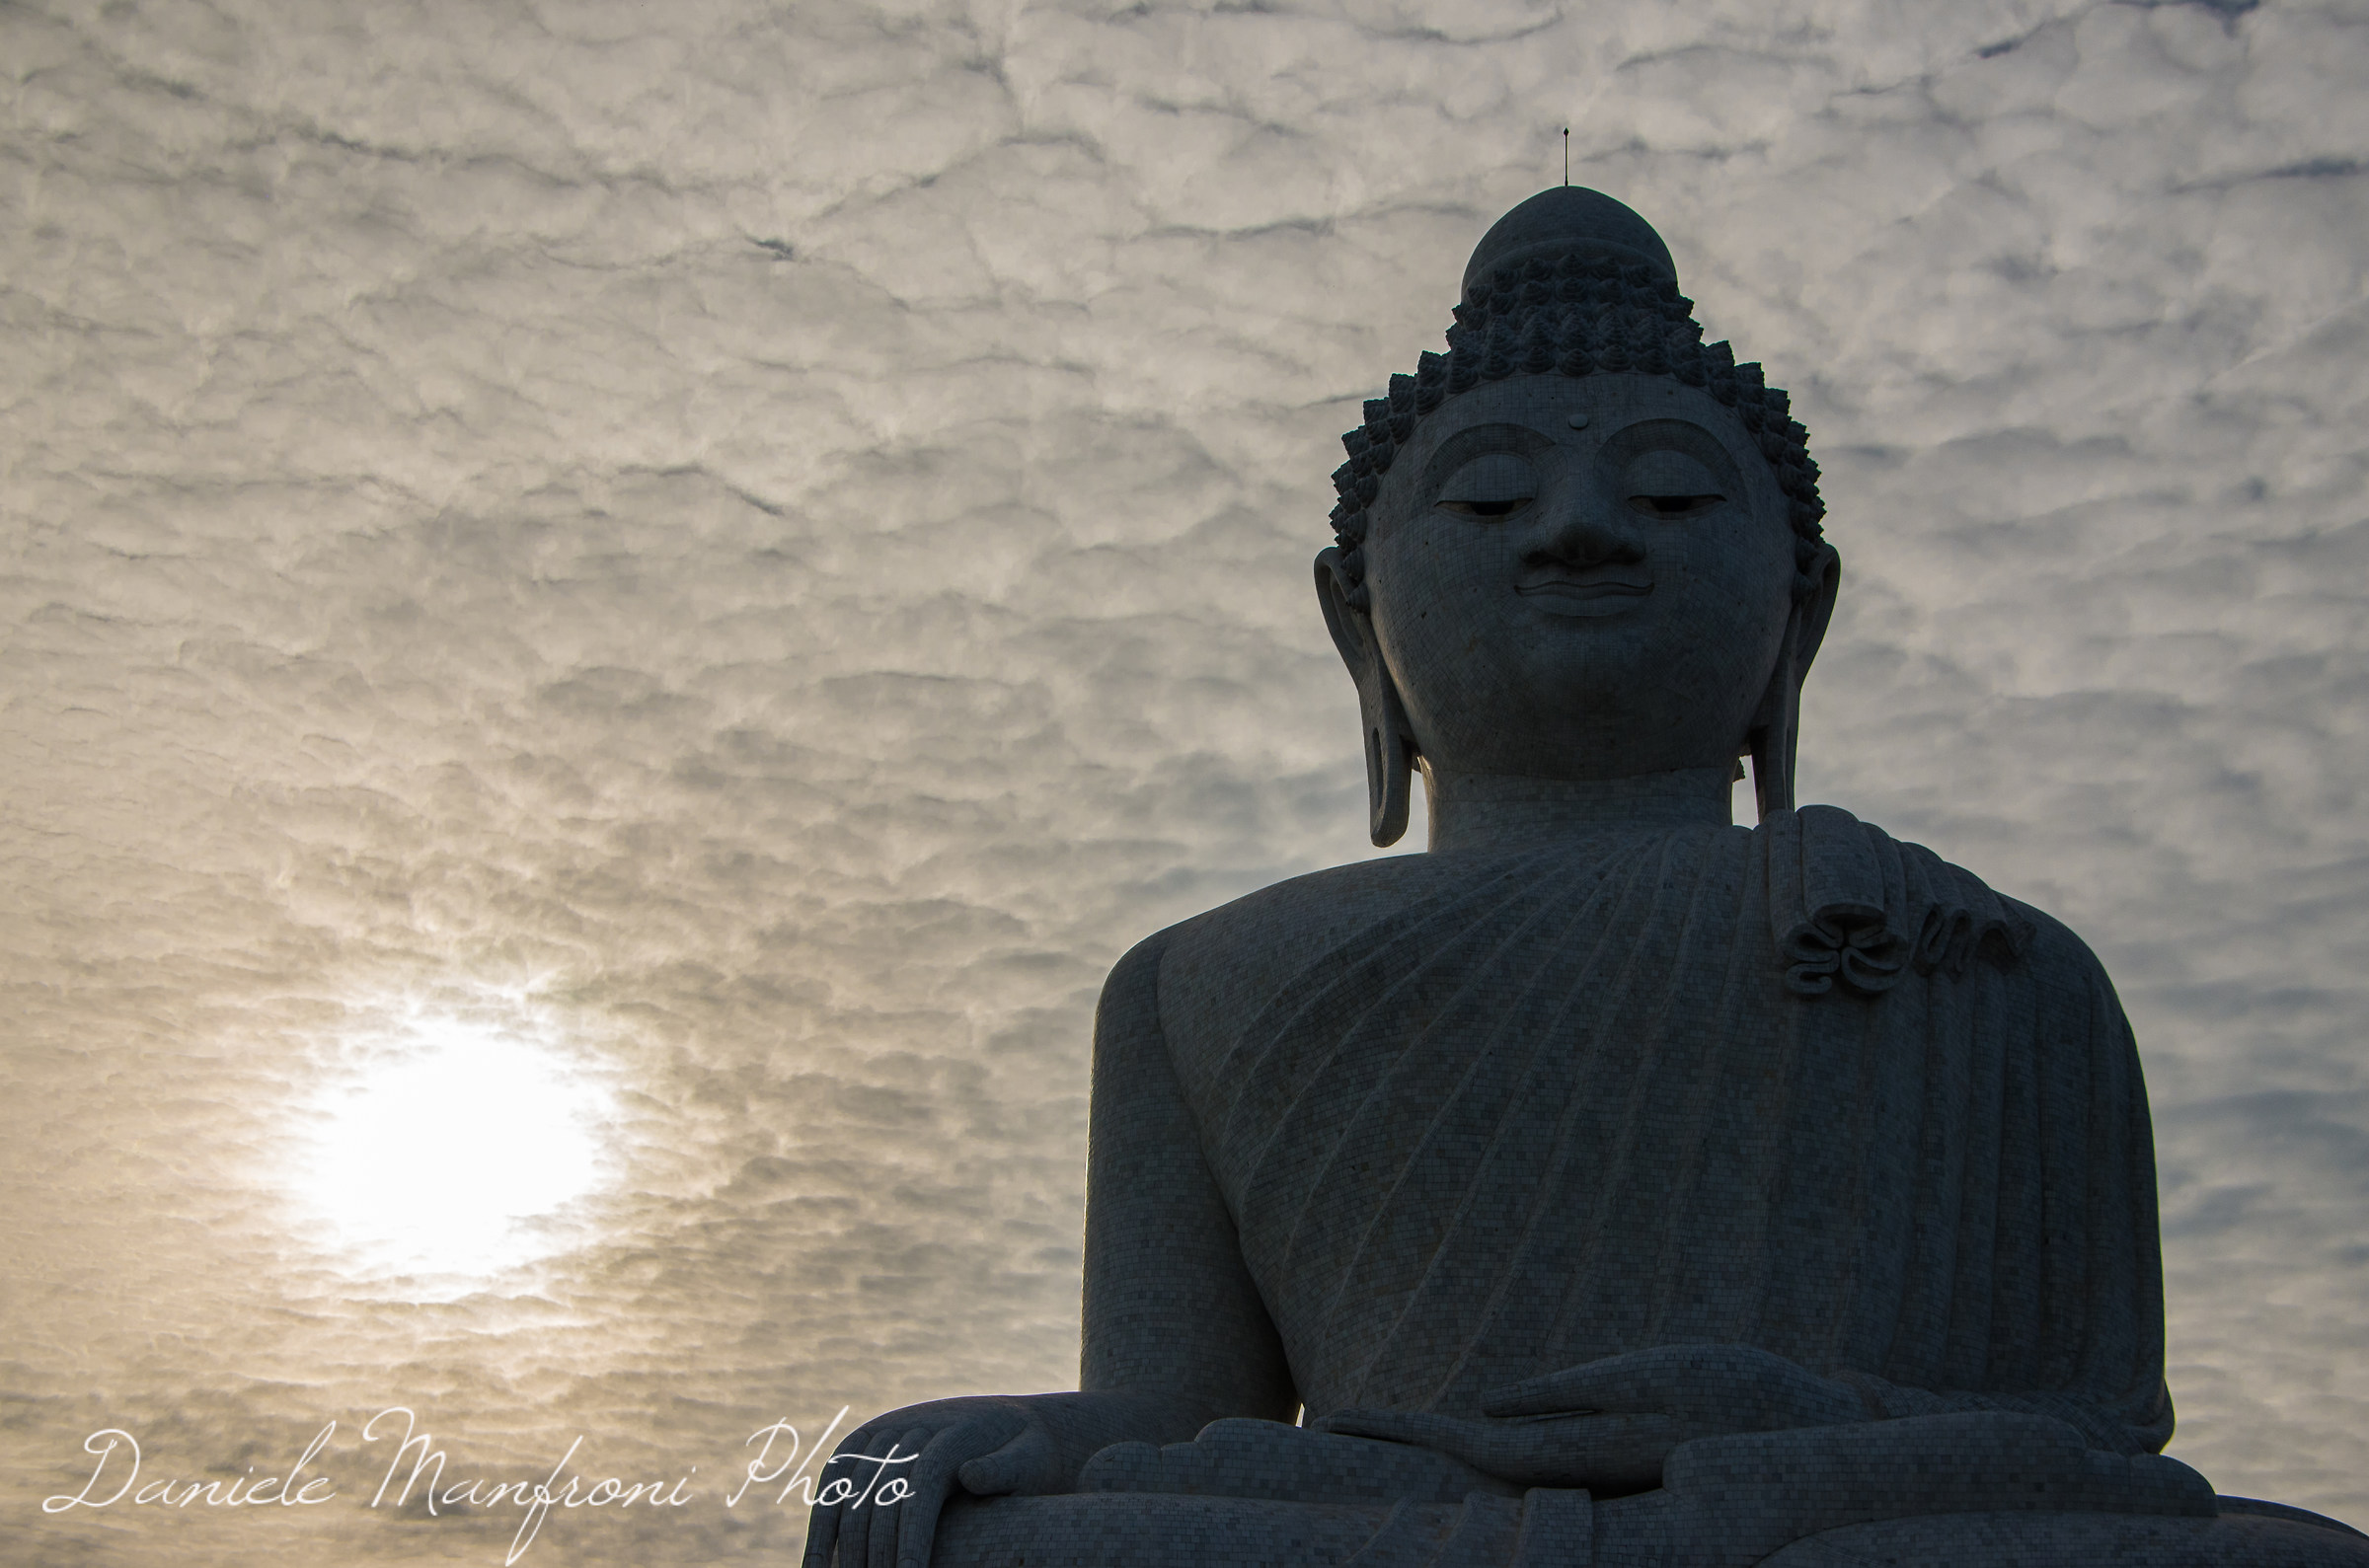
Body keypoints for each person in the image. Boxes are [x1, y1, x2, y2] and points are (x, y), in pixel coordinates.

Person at [802, 188, 2369, 1568]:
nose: (1578, 530)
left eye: (1674, 496)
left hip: (1848, 1520)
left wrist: (1793, 1430)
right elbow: (1171, 1410)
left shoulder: (1990, 960)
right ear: (1360, 627)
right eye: (1488, 498)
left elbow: (2097, 1439)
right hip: (1387, 1524)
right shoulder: (1192, 982)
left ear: (1796, 616)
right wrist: (972, 1445)